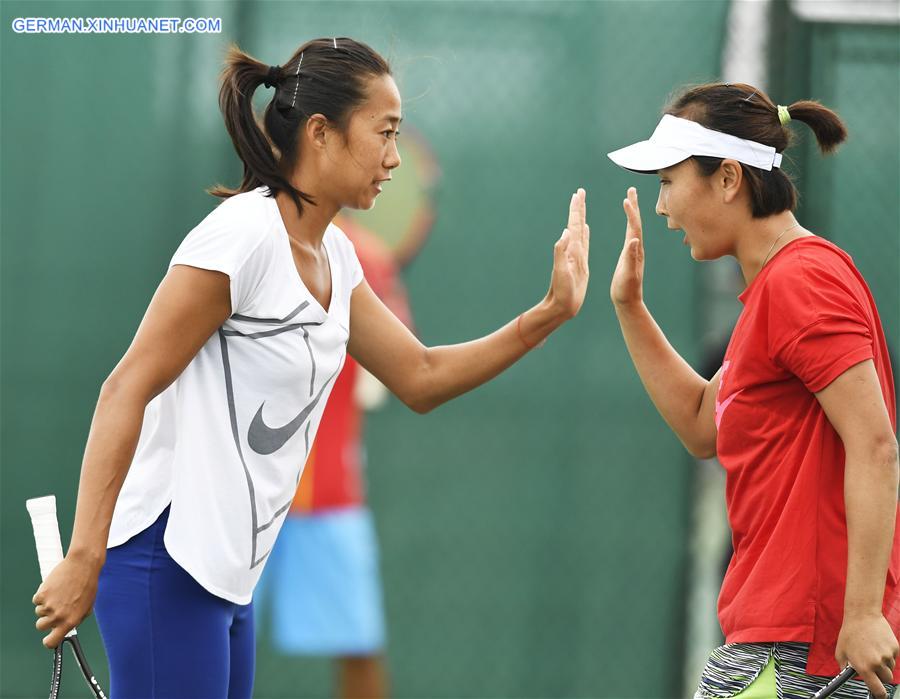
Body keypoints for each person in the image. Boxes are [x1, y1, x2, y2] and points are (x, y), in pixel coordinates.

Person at [31, 37, 590, 699]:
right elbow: (125, 386)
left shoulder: (337, 258)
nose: (393, 159)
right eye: (383, 134)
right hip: (165, 560)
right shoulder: (242, 237)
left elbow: (420, 376)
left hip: (229, 576)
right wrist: (85, 555)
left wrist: (550, 313)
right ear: (320, 133)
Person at [607, 82, 899, 698]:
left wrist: (865, 613)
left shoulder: (803, 283)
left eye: (667, 182)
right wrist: (630, 307)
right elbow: (701, 424)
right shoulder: (776, 287)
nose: (661, 208)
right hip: (774, 640)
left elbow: (876, 446)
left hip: (806, 650)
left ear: (729, 179)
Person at [255, 218, 412, 699]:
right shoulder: (244, 239)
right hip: (245, 497)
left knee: (360, 646)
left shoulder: (365, 258)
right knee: (215, 635)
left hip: (330, 494)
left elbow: (387, 378)